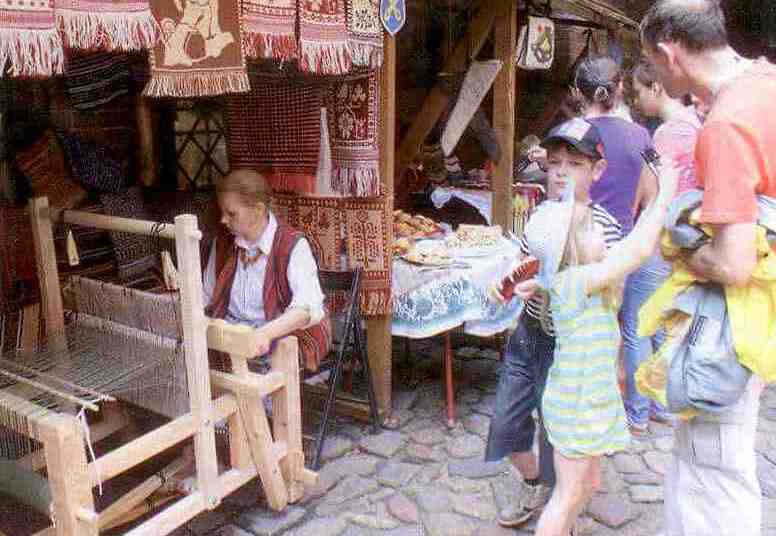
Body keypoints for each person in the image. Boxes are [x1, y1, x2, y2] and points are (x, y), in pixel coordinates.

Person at [641, 1, 776, 534]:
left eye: (650, 64)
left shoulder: (724, 125)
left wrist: (679, 251)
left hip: (730, 326)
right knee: (715, 463)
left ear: (668, 53)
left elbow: (733, 264)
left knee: (711, 471)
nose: (653, 76)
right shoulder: (766, 83)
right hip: (762, 318)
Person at [512, 120, 679, 536]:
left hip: (589, 393)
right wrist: (665, 195)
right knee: (567, 495)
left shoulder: (566, 280)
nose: (598, 230)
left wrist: (537, 284)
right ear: (572, 251)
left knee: (588, 483)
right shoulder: (581, 279)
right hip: (576, 402)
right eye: (588, 229)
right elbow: (638, 249)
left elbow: (551, 281)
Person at [485, 118, 622, 529]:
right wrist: (509, 279)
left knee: (559, 434)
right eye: (555, 162)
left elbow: (608, 297)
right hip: (528, 336)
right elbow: (525, 260)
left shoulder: (605, 228)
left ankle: (561, 505)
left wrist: (552, 290)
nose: (561, 172)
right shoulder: (540, 217)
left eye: (575, 164)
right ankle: (535, 483)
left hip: (570, 346)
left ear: (597, 170)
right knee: (505, 423)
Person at [620, 60, 703, 433]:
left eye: (639, 91)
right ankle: (661, 404)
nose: (637, 100)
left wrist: (632, 225)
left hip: (656, 239)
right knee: (662, 324)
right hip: (683, 240)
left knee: (637, 325)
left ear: (656, 87)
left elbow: (650, 194)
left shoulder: (667, 135)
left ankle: (637, 411)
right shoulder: (696, 126)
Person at [203, 168, 330, 371]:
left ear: (258, 210)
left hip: (278, 331)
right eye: (222, 213)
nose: (223, 220)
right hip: (233, 333)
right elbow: (206, 296)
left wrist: (264, 334)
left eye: (231, 213)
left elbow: (306, 308)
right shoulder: (223, 244)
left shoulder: (292, 245)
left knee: (274, 359)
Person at [573, 55, 653, 235]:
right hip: (625, 242)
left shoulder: (570, 134)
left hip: (578, 240)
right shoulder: (642, 135)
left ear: (577, 92)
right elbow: (651, 198)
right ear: (620, 87)